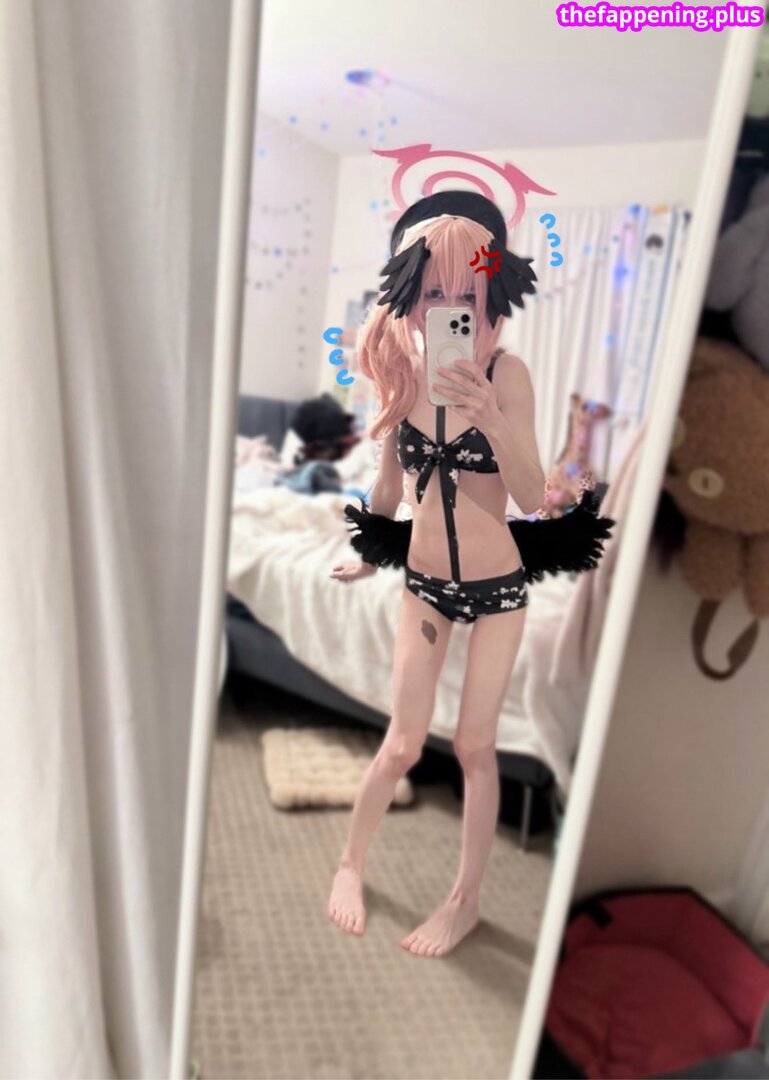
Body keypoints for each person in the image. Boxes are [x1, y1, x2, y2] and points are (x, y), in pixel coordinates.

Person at [326, 191, 614, 957]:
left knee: (474, 747)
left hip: (498, 591)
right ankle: (350, 865)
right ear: (410, 298)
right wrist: (367, 552)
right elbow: (388, 490)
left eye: (466, 293)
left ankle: (466, 900)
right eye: (433, 293)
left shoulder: (507, 375)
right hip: (424, 584)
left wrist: (489, 415)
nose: (450, 308)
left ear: (490, 294)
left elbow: (531, 495)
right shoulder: (401, 377)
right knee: (400, 745)